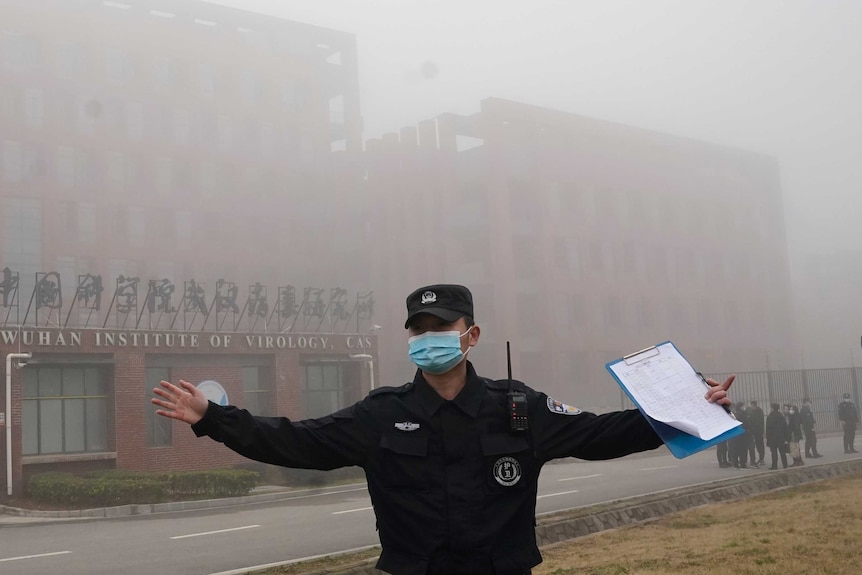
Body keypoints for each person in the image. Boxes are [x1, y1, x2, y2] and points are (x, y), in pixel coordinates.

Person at [152, 284, 734, 575]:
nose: (427, 336)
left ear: (471, 335)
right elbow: (295, 443)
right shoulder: (379, 415)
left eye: (440, 325)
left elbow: (602, 434)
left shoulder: (519, 408)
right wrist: (214, 418)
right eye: (417, 328)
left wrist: (691, 404)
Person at [765, 403, 789, 470]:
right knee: (782, 452)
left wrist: (768, 438)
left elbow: (768, 429)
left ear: (772, 408)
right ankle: (785, 465)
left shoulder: (770, 417)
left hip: (772, 438)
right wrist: (786, 437)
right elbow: (785, 428)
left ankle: (774, 466)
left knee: (774, 453)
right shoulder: (781, 416)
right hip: (781, 437)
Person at [748, 400, 765, 465]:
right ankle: (761, 459)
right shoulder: (759, 411)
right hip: (759, 431)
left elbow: (755, 422)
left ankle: (761, 459)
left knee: (759, 445)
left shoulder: (755, 412)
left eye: (751, 405)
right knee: (760, 445)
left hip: (756, 431)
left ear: (753, 405)